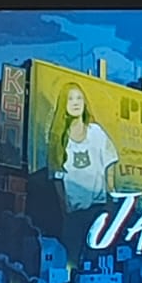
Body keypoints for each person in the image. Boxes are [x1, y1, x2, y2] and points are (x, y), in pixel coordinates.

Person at [49, 82, 120, 212]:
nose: (75, 103)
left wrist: (110, 191)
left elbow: (111, 160)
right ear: (64, 104)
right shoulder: (60, 139)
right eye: (70, 99)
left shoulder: (96, 132)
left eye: (79, 98)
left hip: (99, 207)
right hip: (75, 212)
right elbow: (57, 179)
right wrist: (64, 209)